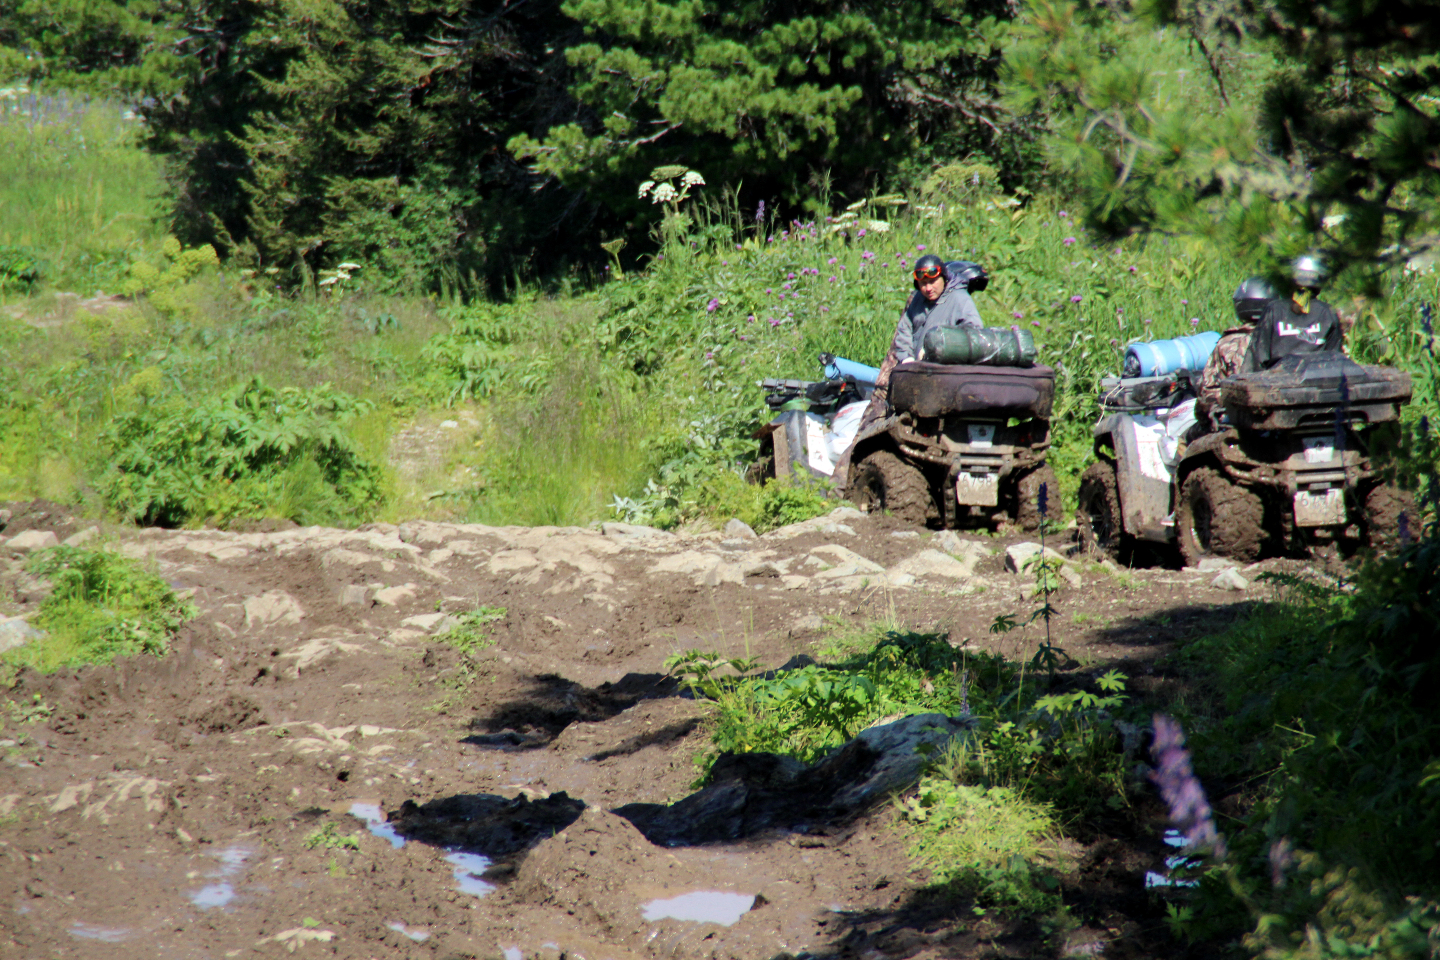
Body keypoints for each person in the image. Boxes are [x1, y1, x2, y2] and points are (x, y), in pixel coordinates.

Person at [832, 254, 984, 489]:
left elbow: (974, 335)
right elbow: (903, 333)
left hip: (943, 383)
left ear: (943, 278)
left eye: (932, 282)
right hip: (907, 376)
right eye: (922, 284)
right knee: (869, 429)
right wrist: (908, 359)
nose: (928, 288)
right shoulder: (916, 301)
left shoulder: (959, 300)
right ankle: (843, 487)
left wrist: (941, 351)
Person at [1193, 276, 1276, 427]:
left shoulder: (1228, 343)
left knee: (1186, 441)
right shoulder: (1287, 336)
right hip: (1282, 417)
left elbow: (1207, 393)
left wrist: (1209, 415)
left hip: (1241, 424)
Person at [1242, 254, 1343, 372]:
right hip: (1316, 383)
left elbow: (1256, 359)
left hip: (1278, 383)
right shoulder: (1328, 312)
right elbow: (1335, 361)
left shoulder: (1274, 310)